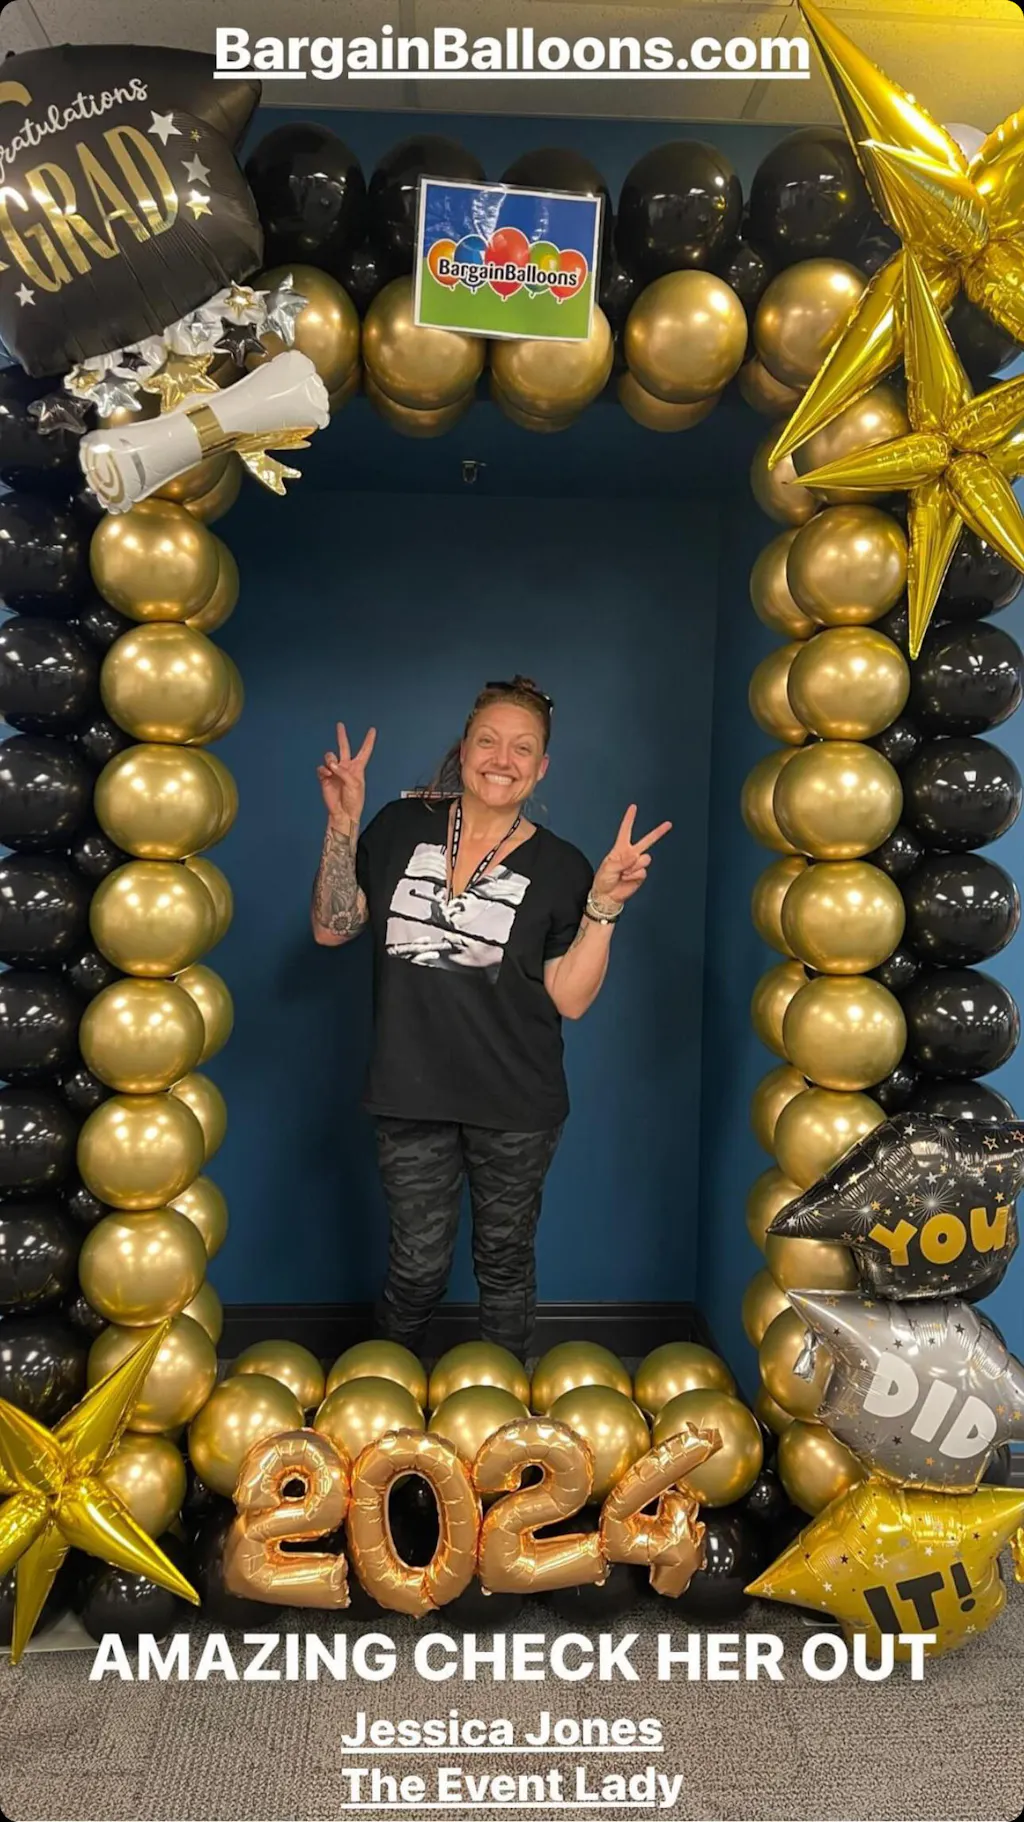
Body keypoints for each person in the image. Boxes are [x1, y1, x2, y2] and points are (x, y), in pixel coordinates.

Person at [311, 676, 670, 1360]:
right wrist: (342, 822)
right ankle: (383, 1403)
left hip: (516, 1103)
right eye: (488, 741)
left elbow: (570, 998)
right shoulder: (399, 826)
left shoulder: (563, 866)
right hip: (410, 1094)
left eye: (522, 748)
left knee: (504, 1267)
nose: (502, 759)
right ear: (464, 748)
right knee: (416, 1271)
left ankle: (503, 1413)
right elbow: (334, 928)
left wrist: (605, 905)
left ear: (542, 767)